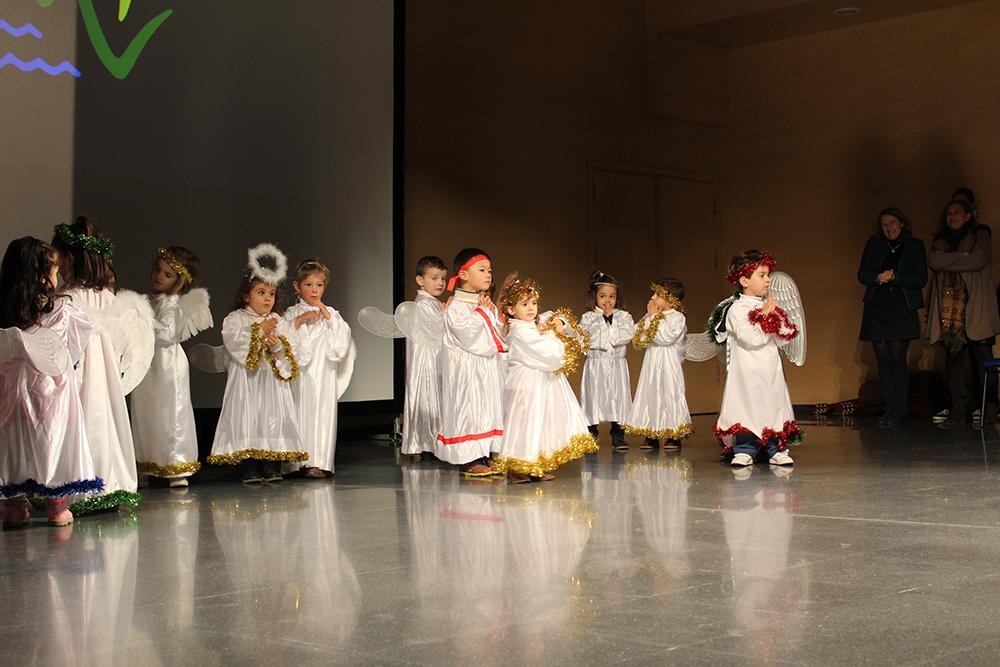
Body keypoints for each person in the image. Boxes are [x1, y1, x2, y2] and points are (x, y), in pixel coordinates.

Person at [132, 247, 212, 487]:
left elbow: (167, 334)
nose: (159, 276)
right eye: (158, 270)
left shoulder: (172, 303)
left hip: (166, 365)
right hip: (148, 363)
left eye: (167, 274)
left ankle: (176, 464)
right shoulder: (151, 299)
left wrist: (143, 321)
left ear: (179, 281)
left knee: (170, 412)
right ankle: (147, 462)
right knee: (147, 412)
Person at [713, 250, 800, 467]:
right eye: (761, 275)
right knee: (746, 404)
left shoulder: (768, 305)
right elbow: (750, 338)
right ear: (744, 280)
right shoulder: (736, 309)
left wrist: (773, 317)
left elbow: (781, 340)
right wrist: (765, 317)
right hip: (746, 372)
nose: (767, 280)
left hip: (769, 369)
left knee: (772, 403)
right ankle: (745, 448)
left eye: (767, 274)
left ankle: (775, 448)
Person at [927, 198, 1000, 424]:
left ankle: (989, 407)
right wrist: (962, 256)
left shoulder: (980, 236)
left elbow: (978, 261)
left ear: (968, 215)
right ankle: (958, 409)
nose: (952, 216)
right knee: (954, 363)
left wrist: (949, 261)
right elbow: (934, 261)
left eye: (957, 212)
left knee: (983, 361)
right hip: (950, 315)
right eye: (949, 213)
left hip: (976, 309)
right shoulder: (941, 241)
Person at [285, 258, 355, 477]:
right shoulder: (291, 313)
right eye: (308, 285)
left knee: (322, 413)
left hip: (323, 372)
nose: (314, 290)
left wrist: (327, 316)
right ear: (297, 286)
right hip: (301, 375)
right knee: (298, 411)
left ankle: (319, 462)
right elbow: (284, 337)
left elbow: (341, 344)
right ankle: (295, 462)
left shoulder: (331, 314)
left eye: (319, 285)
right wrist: (300, 320)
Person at [857, 208, 927, 425]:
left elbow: (920, 278)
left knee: (898, 358)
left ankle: (900, 410)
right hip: (878, 307)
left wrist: (896, 277)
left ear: (902, 224)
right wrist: (878, 277)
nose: (889, 228)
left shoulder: (914, 245)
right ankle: (889, 410)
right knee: (883, 360)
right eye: (885, 224)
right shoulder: (874, 243)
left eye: (892, 223)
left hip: (901, 307)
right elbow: (862, 274)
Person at [622, 279, 693, 451]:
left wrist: (653, 317)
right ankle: (651, 433)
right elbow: (640, 337)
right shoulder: (650, 316)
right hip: (652, 363)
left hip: (670, 365)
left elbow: (665, 338)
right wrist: (649, 319)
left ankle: (673, 435)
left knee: (670, 394)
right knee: (650, 394)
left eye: (658, 295)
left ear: (671, 301)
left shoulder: (677, 318)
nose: (653, 297)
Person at [579, 271, 635, 449]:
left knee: (617, 398)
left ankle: (618, 433)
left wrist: (612, 320)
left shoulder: (623, 317)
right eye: (603, 296)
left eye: (612, 296)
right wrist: (603, 321)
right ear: (594, 296)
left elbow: (626, 336)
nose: (607, 301)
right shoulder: (588, 318)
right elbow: (587, 339)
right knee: (593, 398)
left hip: (616, 365)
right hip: (596, 366)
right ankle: (591, 432)